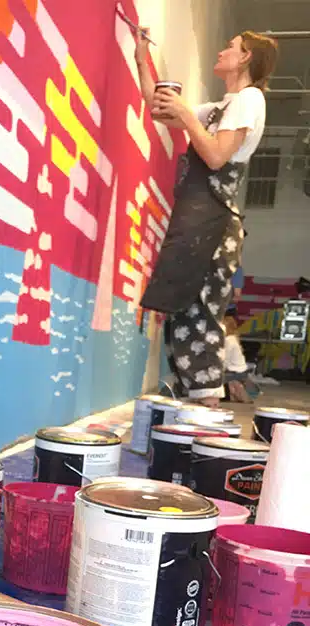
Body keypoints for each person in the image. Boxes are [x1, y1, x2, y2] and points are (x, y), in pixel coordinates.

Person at [135, 30, 278, 407]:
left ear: (246, 57)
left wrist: (186, 114)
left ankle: (206, 410)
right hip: (199, 218)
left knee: (200, 314)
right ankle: (198, 407)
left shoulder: (249, 100)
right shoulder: (220, 107)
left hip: (214, 221)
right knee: (183, 309)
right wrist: (140, 56)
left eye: (230, 47)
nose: (222, 50)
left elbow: (216, 156)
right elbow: (159, 109)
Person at [222, 314, 256, 402]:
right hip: (241, 369)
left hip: (234, 371)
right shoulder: (233, 338)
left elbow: (225, 359)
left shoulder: (229, 340)